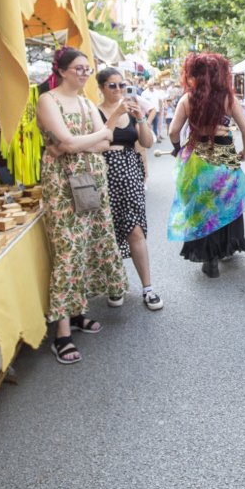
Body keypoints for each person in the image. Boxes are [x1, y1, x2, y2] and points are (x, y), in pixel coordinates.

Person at [36, 48, 130, 364]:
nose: (84, 73)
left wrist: (78, 143)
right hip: (63, 186)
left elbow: (102, 143)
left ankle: (76, 314)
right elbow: (72, 142)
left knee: (88, 247)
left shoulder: (86, 102)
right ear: (61, 70)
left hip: (91, 181)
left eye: (87, 68)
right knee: (67, 252)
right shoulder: (48, 101)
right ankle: (61, 333)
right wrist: (96, 134)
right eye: (78, 68)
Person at [167, 52, 245, 278]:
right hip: (225, 156)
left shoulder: (187, 99)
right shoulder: (228, 99)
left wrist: (177, 147)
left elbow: (173, 131)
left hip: (197, 157)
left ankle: (209, 259)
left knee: (202, 207)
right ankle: (227, 249)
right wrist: (244, 152)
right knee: (229, 202)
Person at [96, 66, 162, 311]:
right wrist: (115, 115)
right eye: (112, 85)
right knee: (108, 232)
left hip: (130, 172)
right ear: (101, 88)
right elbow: (100, 141)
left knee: (136, 230)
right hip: (105, 174)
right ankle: (114, 284)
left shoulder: (133, 112)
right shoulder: (96, 111)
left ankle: (148, 287)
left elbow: (145, 142)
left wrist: (141, 118)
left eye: (122, 85)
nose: (118, 90)